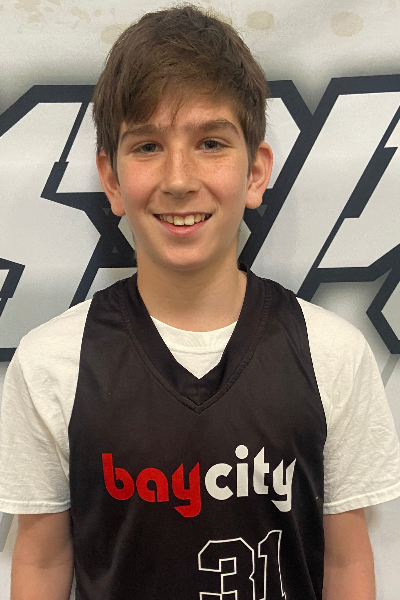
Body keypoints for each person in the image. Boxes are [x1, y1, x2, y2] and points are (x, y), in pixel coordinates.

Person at [0, 4, 399, 600]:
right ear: (111, 179)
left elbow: (345, 563)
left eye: (211, 142)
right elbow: (40, 562)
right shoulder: (51, 364)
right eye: (147, 146)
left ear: (255, 172)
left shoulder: (332, 355)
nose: (179, 179)